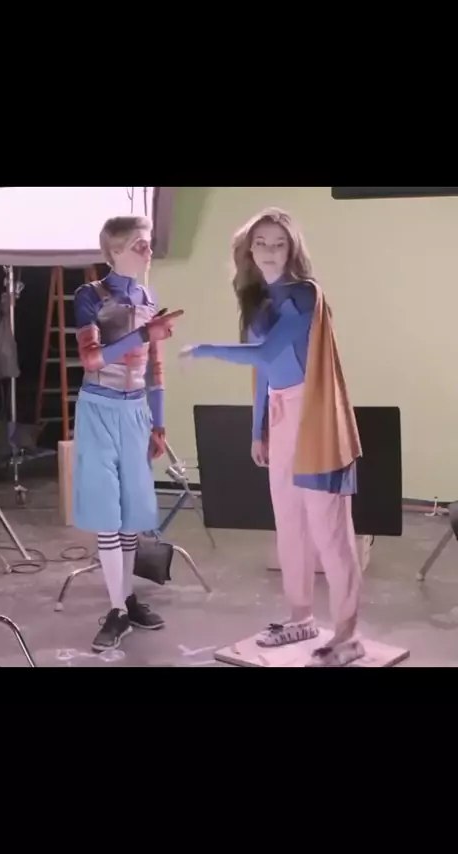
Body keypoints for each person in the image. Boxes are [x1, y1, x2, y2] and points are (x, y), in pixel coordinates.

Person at [180, 207, 364, 667]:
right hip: (281, 416)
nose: (269, 251)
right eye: (260, 242)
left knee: (330, 533)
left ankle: (348, 635)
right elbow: (264, 372)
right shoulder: (257, 298)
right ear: (247, 249)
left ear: (292, 250)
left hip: (315, 417)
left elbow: (265, 352)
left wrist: (204, 350)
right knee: (289, 523)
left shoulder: (304, 295)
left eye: (279, 243)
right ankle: (301, 616)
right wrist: (257, 428)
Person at [73, 214, 183, 653]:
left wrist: (159, 422)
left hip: (135, 410)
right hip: (99, 409)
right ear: (115, 251)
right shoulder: (90, 295)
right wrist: (143, 333)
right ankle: (116, 609)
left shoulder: (147, 297)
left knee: (132, 511)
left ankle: (127, 599)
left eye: (148, 242)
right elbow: (92, 360)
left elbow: (155, 366)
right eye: (140, 244)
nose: (148, 251)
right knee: (107, 511)